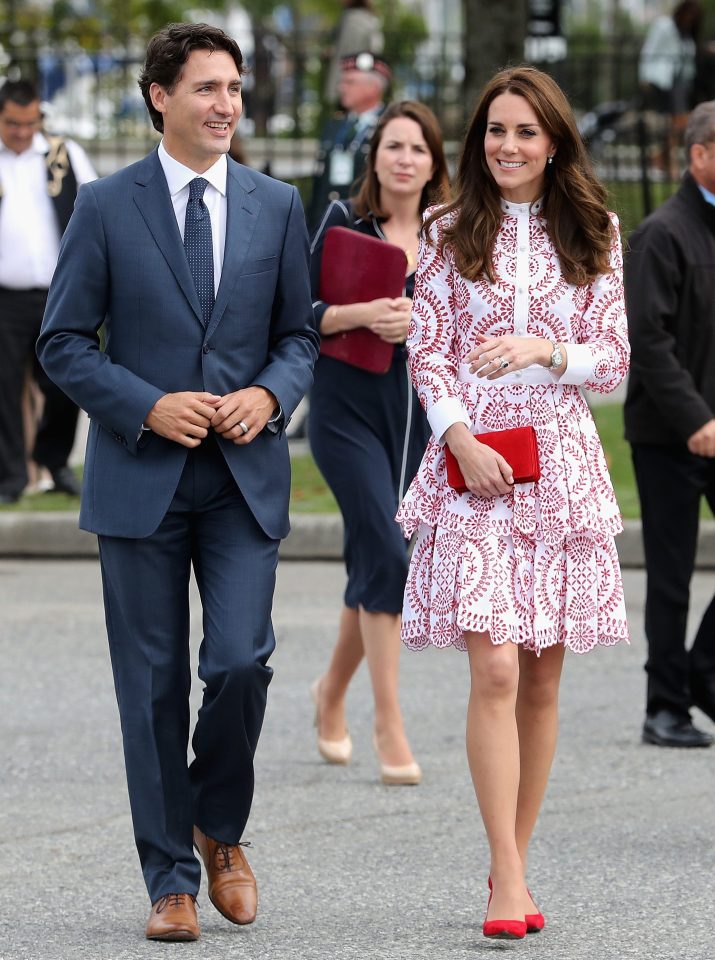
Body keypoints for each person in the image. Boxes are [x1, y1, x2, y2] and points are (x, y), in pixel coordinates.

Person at [37, 22, 318, 942]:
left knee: (240, 660)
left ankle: (219, 830)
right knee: (150, 685)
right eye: (206, 88)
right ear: (160, 96)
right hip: (139, 476)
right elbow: (63, 343)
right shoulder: (106, 205)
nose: (226, 105)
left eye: (233, 88)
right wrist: (147, 405)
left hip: (242, 477)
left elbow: (299, 337)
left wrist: (269, 396)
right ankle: (170, 882)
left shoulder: (277, 205)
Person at [396, 66, 630, 939]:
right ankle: (505, 876)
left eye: (525, 132)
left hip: (561, 464)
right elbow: (429, 353)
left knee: (539, 675)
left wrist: (546, 346)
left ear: (555, 141)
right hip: (474, 460)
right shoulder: (448, 227)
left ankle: (513, 864)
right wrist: (459, 438)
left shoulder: (596, 229)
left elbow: (612, 364)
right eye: (495, 130)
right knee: (492, 665)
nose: (507, 146)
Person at [309, 101, 449, 785]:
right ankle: (387, 720)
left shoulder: (452, 238)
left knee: (376, 560)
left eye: (417, 149)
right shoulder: (343, 223)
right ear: (375, 157)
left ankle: (328, 692)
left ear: (433, 163)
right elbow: (295, 313)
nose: (403, 159)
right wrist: (363, 314)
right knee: (386, 552)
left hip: (418, 418)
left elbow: (466, 332)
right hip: (344, 411)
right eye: (392, 146)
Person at [624, 100, 715, 750]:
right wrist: (694, 419)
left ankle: (701, 672)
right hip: (668, 435)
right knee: (671, 571)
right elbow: (648, 342)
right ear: (699, 155)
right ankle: (664, 706)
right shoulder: (663, 233)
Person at [0, 79, 96, 503]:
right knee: (2, 388)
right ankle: (11, 476)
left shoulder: (64, 154)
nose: (22, 131)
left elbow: (97, 210)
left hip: (60, 292)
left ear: (40, 116)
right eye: (11, 123)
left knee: (65, 382)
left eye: (29, 122)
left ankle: (54, 460)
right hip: (5, 295)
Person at [307, 52, 390, 231]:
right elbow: (319, 186)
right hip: (326, 225)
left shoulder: (389, 127)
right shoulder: (334, 125)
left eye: (350, 82)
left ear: (373, 88)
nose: (342, 88)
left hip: (365, 229)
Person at [638, 1, 702, 176]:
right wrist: (643, 76)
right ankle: (667, 162)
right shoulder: (664, 25)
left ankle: (660, 157)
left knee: (677, 122)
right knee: (677, 121)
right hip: (663, 80)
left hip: (680, 82)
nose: (690, 19)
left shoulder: (686, 34)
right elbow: (649, 49)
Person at [324, 0, 384, 106]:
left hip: (353, 79)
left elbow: (350, 50)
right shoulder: (368, 18)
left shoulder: (353, 20)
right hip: (361, 78)